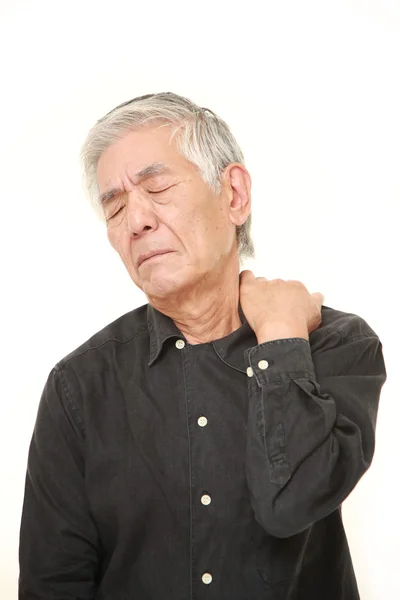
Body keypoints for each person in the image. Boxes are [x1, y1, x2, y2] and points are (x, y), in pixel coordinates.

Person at [18, 91, 387, 600]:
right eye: (116, 205)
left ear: (233, 194)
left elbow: (292, 503)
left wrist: (281, 336)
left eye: (158, 187)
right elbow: (52, 585)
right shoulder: (78, 387)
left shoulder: (336, 346)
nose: (137, 220)